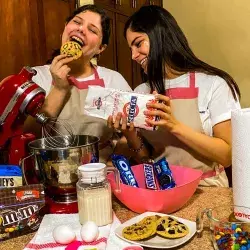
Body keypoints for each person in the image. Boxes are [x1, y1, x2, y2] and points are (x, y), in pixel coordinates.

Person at [108, 5, 241, 187]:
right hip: (162, 189)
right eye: (131, 48)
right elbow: (145, 159)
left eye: (138, 44)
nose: (133, 55)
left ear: (160, 35)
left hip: (207, 189)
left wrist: (174, 126)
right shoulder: (141, 92)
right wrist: (130, 134)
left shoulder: (213, 84)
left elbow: (227, 156)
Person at [24, 4, 131, 163]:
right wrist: (59, 89)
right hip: (50, 172)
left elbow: (131, 135)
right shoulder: (36, 77)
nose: (81, 29)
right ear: (65, 27)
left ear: (100, 48)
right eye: (77, 22)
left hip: (99, 171)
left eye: (92, 30)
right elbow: (27, 136)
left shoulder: (113, 80)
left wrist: (113, 163)